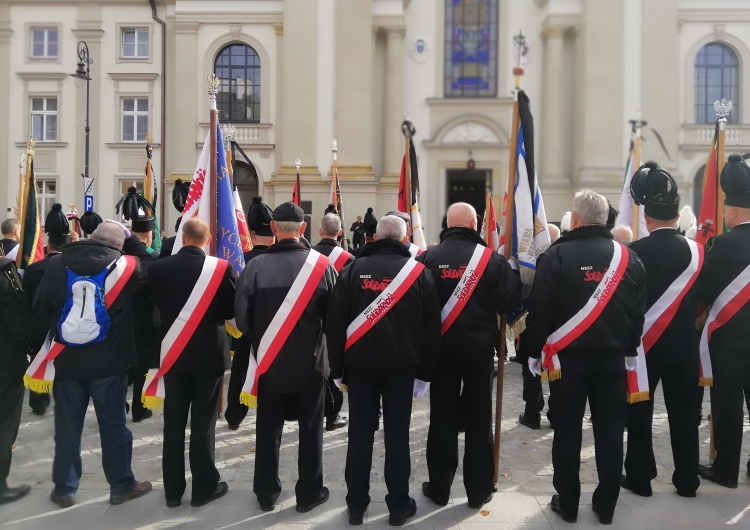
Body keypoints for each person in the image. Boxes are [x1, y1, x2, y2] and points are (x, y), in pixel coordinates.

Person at [524, 189, 646, 525]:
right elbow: (639, 311)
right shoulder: (627, 257)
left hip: (568, 364)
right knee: (610, 432)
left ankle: (568, 502)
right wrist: (631, 348)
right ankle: (606, 506)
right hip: (612, 361)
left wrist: (533, 352)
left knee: (567, 433)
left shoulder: (556, 256)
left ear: (574, 219)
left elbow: (540, 310)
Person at [326, 214, 440, 526]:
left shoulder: (352, 270)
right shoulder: (419, 273)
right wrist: (425, 373)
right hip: (401, 369)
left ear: (375, 237)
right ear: (405, 240)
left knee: (359, 435)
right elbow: (432, 329)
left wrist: (337, 369)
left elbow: (334, 324)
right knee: (397, 436)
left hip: (360, 367)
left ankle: (355, 506)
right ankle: (399, 507)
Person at [38, 222, 153, 508]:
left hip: (67, 362)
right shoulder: (126, 265)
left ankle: (65, 489)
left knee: (67, 428)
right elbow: (151, 264)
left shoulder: (55, 264)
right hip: (110, 363)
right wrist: (131, 241)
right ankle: (121, 485)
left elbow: (44, 306)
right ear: (120, 244)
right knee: (113, 427)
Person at [235, 201, 336, 513]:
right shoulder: (323, 266)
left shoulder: (254, 267)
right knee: (311, 431)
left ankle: (265, 493)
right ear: (303, 229)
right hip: (311, 364)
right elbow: (334, 320)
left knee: (268, 431)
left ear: (274, 229)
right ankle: (309, 493)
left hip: (269, 365)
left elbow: (242, 322)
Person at [419, 203, 519, 509]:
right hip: (479, 352)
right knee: (479, 420)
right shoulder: (492, 260)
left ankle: (439, 488)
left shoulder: (428, 258)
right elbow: (511, 301)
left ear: (448, 223)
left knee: (442, 419)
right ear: (475, 224)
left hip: (441, 352)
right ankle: (478, 491)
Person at [622, 162, 701, 498]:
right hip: (685, 346)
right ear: (675, 216)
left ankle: (640, 477)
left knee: (639, 412)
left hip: (645, 347)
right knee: (685, 415)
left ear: (647, 218)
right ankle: (687, 481)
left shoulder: (635, 252)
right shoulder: (697, 252)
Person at [147, 218, 235, 507]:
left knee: (172, 425)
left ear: (182, 237)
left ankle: (173, 492)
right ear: (207, 239)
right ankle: (203, 489)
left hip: (172, 354)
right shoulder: (221, 269)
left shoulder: (158, 268)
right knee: (203, 424)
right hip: (208, 355)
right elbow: (228, 310)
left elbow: (155, 307)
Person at [697, 155, 750, 488]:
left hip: (728, 336)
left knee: (728, 403)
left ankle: (726, 470)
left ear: (730, 212)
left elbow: (704, 291)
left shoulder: (720, 243)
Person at [225, 196, 276, 430]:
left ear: (251, 233)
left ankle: (235, 415)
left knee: (241, 370)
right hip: (276, 327)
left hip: (245, 327)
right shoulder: (282, 259)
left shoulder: (239, 261)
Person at [23, 204, 73, 416]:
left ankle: (39, 402)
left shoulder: (33, 269)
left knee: (38, 357)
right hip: (65, 324)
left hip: (39, 324)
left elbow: (25, 300)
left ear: (48, 242)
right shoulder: (74, 267)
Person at [119, 189, 160, 422]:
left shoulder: (116, 258)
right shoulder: (153, 259)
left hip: (118, 317)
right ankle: (139, 407)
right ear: (149, 235)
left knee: (119, 363)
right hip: (145, 319)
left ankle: (119, 403)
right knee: (142, 364)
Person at [518, 223, 562, 430]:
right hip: (550, 323)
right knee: (543, 369)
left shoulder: (547, 259)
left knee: (534, 369)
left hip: (539, 322)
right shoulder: (560, 257)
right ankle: (545, 412)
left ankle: (533, 412)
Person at [312, 213, 354, 432]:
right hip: (338, 323)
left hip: (312, 320)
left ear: (320, 231)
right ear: (340, 233)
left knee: (316, 368)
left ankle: (314, 410)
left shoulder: (309, 254)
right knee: (336, 368)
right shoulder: (349, 258)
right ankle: (333, 414)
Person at [0, 246, 35, 504]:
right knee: (4, 420)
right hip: (5, 358)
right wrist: (31, 349)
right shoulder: (4, 271)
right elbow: (16, 317)